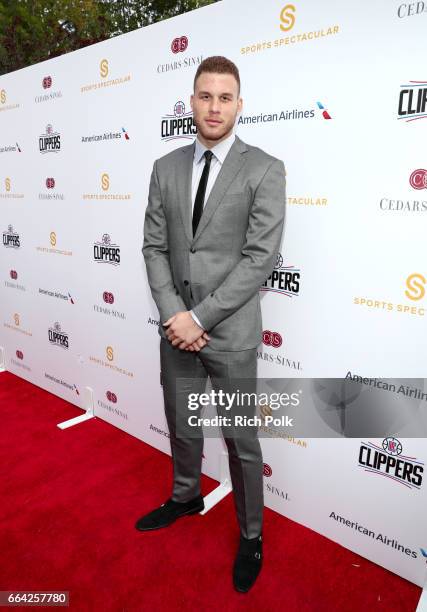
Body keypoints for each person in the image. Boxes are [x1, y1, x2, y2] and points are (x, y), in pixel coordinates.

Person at [138, 55, 286, 593]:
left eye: (225, 97)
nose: (214, 106)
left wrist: (199, 317)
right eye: (205, 96)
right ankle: (185, 494)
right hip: (176, 328)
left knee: (242, 441)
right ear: (191, 101)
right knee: (181, 420)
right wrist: (175, 314)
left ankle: (251, 535)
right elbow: (154, 248)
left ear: (239, 104)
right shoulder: (165, 167)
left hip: (230, 332)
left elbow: (259, 258)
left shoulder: (265, 169)